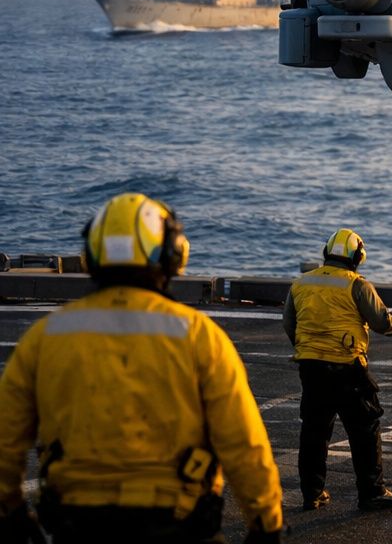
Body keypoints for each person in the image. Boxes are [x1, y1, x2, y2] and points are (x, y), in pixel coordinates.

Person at [0, 193, 283, 544]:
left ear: (92, 255)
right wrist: (265, 523)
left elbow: (6, 438)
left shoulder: (46, 336)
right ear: (173, 253)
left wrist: (11, 511)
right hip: (178, 521)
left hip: (76, 522)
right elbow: (244, 444)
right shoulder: (199, 336)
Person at [283, 228, 392, 513]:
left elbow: (289, 325)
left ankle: (312, 494)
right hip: (347, 370)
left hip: (311, 368)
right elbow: (380, 321)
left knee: (315, 430)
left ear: (326, 253)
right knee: (364, 429)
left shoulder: (301, 283)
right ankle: (372, 492)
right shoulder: (356, 285)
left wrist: (309, 348)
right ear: (358, 257)